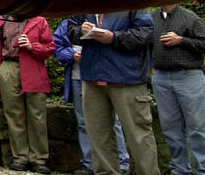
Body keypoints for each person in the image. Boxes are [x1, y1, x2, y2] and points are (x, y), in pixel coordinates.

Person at [67, 11, 160, 175]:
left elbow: (146, 33)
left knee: (138, 135)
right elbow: (70, 30)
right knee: (98, 136)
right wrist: (81, 31)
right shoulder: (85, 0)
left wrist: (114, 38)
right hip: (92, 76)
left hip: (126, 78)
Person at [53, 17, 132, 175]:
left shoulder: (109, 17)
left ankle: (121, 163)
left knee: (112, 121)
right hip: (77, 78)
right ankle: (89, 163)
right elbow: (56, 46)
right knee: (83, 122)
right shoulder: (69, 22)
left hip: (103, 75)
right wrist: (71, 55)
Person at [150, 3, 205, 175]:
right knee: (170, 127)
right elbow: (145, 43)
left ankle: (204, 170)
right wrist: (151, 66)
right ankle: (180, 169)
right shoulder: (152, 18)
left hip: (188, 76)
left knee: (197, 127)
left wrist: (181, 40)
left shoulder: (190, 17)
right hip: (161, 78)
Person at [0, 14, 55, 173]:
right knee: (14, 115)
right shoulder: (1, 20)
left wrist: (33, 46)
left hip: (34, 67)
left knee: (37, 116)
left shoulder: (39, 20)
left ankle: (39, 159)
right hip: (9, 67)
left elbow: (50, 48)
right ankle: (20, 157)